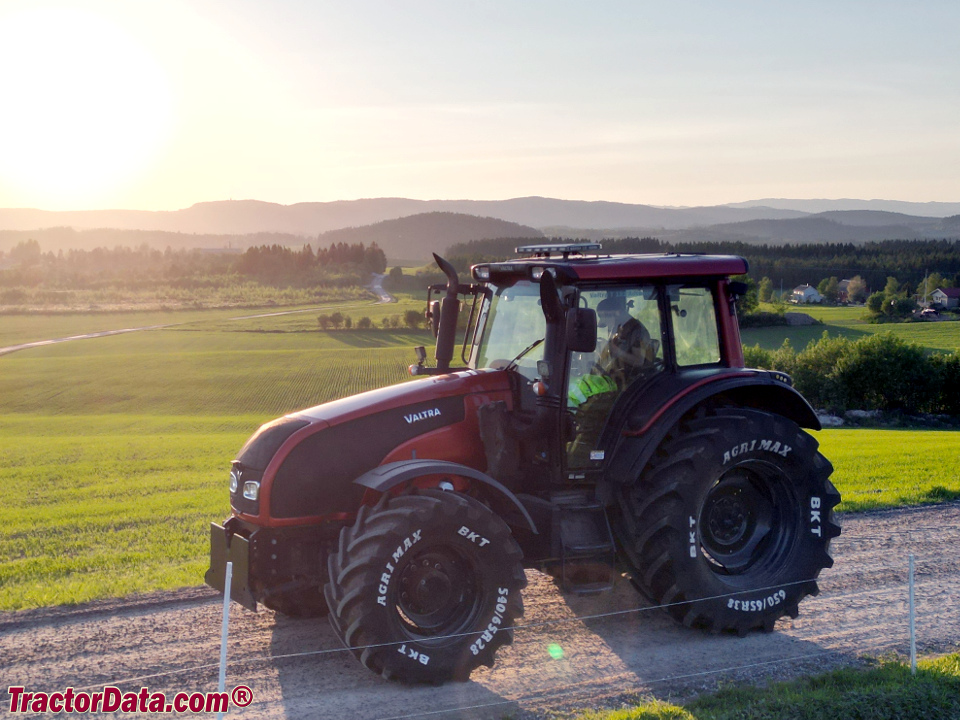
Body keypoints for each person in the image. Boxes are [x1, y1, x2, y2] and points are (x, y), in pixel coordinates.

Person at [595, 296, 657, 388]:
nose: (607, 325)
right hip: (617, 377)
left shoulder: (636, 330)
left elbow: (639, 361)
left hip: (634, 383)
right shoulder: (619, 328)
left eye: (605, 319)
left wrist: (618, 352)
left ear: (614, 314)